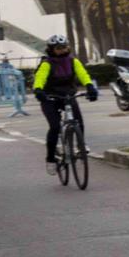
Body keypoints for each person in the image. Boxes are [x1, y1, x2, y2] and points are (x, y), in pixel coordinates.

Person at [30, 35, 97, 171]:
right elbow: (40, 78)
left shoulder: (73, 61)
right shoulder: (46, 63)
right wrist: (38, 90)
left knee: (78, 120)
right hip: (49, 98)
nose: (62, 50)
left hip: (67, 96)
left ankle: (80, 145)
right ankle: (50, 159)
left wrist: (90, 86)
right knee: (54, 127)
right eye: (58, 48)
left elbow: (83, 74)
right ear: (51, 49)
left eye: (64, 47)